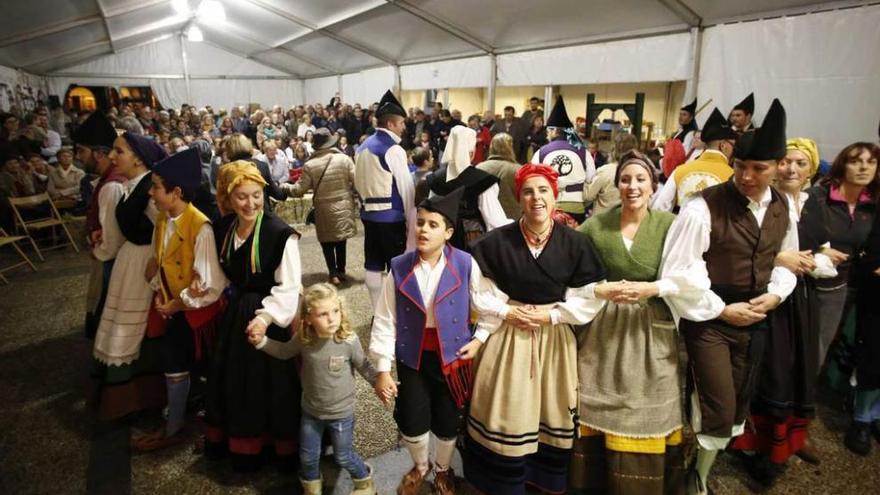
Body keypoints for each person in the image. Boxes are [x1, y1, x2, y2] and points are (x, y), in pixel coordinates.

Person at [659, 99, 798, 495]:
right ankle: (696, 480)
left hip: (758, 315)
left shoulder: (784, 206)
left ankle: (699, 468)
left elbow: (784, 258)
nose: (748, 176)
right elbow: (678, 271)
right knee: (715, 402)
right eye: (741, 167)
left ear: (775, 167)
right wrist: (720, 308)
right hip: (709, 317)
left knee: (738, 401)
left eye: (759, 169)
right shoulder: (703, 208)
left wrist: (774, 296)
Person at [462, 164, 607, 495]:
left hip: (553, 339)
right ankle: (501, 483)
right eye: (528, 191)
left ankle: (543, 482)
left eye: (543, 190)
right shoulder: (496, 242)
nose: (536, 198)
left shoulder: (576, 243)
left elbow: (588, 298)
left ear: (554, 196)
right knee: (506, 409)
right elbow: (482, 294)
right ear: (518, 199)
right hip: (507, 338)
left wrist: (552, 315)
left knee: (549, 409)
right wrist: (508, 312)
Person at [370, 191, 506, 495]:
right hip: (412, 358)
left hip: (453, 357)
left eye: (433, 224)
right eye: (420, 223)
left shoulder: (465, 263)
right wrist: (382, 368)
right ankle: (421, 466)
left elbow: (489, 305)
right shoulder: (400, 266)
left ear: (448, 232)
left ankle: (444, 469)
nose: (423, 230)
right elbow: (384, 319)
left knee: (448, 419)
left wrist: (479, 339)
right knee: (412, 418)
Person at [573, 151, 686, 494]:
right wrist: (599, 289)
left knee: (649, 398)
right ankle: (593, 481)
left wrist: (651, 289)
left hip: (651, 329)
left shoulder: (669, 225)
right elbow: (573, 266)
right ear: (617, 184)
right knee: (596, 395)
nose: (632, 186)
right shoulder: (596, 224)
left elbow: (686, 273)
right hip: (604, 328)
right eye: (625, 179)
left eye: (640, 179)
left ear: (653, 185)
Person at [729, 137, 835, 483]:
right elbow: (735, 247)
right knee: (764, 371)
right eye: (786, 161)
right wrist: (781, 257)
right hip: (765, 294)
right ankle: (753, 443)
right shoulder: (761, 204)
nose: (791, 168)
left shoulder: (813, 204)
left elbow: (823, 247)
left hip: (800, 300)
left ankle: (790, 439)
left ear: (811, 171)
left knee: (797, 368)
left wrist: (820, 258)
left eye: (800, 163)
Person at [202, 161, 303, 471]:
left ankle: (278, 447)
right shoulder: (224, 229)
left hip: (268, 317)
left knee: (271, 384)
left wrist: (264, 318)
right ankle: (243, 444)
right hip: (236, 315)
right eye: (242, 197)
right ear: (229, 198)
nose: (251, 203)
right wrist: (194, 289)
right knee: (237, 382)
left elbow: (289, 286)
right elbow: (217, 280)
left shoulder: (279, 233)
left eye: (257, 195)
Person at [133, 148, 226, 451]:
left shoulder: (201, 227)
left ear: (175, 192)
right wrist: (157, 287)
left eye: (156, 187)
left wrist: (178, 302)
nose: (151, 193)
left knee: (209, 371)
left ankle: (214, 430)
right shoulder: (163, 219)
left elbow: (209, 284)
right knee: (174, 364)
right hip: (175, 310)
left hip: (199, 316)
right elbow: (159, 261)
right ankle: (174, 425)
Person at [249, 283, 377, 494]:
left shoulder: (348, 340)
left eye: (335, 311)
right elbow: (283, 351)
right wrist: (262, 342)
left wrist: (380, 382)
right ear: (308, 318)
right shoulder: (304, 339)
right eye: (323, 314)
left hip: (341, 414)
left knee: (343, 456)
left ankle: (364, 480)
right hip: (311, 412)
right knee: (307, 456)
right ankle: (312, 487)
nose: (332, 318)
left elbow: (364, 365)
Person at [89, 132, 168, 421]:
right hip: (131, 259)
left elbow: (167, 228)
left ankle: (144, 400)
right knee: (126, 326)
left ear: (137, 157)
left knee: (138, 330)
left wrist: (157, 262)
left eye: (118, 151)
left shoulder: (150, 188)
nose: (112, 156)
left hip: (143, 263)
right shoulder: (132, 186)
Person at [800, 142, 879, 381]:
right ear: (842, 164)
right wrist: (820, 249)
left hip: (850, 284)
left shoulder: (873, 205)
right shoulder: (819, 196)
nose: (863, 167)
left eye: (871, 162)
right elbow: (799, 233)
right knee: (802, 344)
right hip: (810, 280)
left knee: (827, 346)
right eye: (856, 161)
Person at [354, 90, 417, 309]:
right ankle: (396, 312)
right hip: (392, 218)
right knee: (397, 268)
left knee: (372, 264)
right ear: (390, 124)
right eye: (401, 123)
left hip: (368, 216)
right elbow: (406, 188)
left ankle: (376, 312)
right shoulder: (393, 149)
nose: (403, 127)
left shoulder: (362, 147)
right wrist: (412, 218)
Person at [282, 128, 358, 285]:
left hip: (323, 208)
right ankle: (342, 270)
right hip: (343, 204)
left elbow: (298, 190)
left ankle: (333, 273)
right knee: (340, 239)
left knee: (327, 241)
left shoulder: (310, 165)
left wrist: (284, 187)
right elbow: (357, 181)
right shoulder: (344, 159)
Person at [75, 111, 126, 340]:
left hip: (112, 260)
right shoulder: (107, 181)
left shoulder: (112, 186)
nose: (78, 157)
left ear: (98, 154)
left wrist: (98, 251)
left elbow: (113, 239)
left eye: (81, 151)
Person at [425, 125, 511, 251]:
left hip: (440, 239)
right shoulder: (482, 180)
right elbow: (494, 220)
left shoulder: (435, 179)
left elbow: (431, 210)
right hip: (471, 240)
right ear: (471, 152)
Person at [652, 108, 737, 212]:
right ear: (723, 146)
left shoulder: (681, 171)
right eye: (733, 145)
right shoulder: (733, 177)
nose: (734, 149)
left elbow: (659, 209)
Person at [850, 168, 880, 456]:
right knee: (874, 355)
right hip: (875, 287)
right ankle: (862, 418)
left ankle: (876, 414)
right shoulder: (869, 200)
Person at [532, 95, 597, 224]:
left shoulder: (541, 153)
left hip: (548, 206)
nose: (547, 133)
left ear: (555, 130)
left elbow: (533, 180)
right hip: (576, 207)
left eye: (549, 130)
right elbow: (592, 180)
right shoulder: (583, 152)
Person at [584, 133, 639, 216]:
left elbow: (588, 196)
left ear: (614, 149)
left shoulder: (605, 171)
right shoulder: (640, 172)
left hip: (602, 223)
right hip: (627, 222)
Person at [475, 133, 520, 220]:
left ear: (491, 147)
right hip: (513, 219)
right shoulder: (518, 170)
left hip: (486, 220)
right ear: (510, 148)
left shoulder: (479, 168)